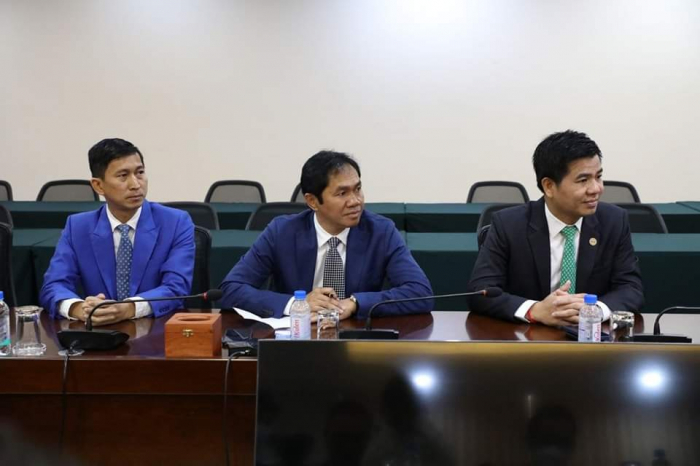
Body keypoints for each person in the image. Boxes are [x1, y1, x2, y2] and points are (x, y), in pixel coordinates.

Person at [220, 150, 433, 320]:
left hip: (356, 341)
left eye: (357, 189)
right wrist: (296, 304)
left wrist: (356, 303)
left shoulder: (380, 231)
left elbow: (420, 293)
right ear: (312, 201)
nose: (355, 201)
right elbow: (231, 290)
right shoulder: (282, 232)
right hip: (296, 340)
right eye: (342, 193)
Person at [468, 130, 644, 326]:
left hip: (592, 337)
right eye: (583, 180)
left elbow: (630, 288)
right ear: (549, 186)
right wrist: (534, 310)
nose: (596, 188)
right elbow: (480, 291)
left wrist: (593, 311)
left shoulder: (614, 221)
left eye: (598, 177)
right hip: (528, 337)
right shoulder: (508, 225)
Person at [40, 138, 195, 325]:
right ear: (98, 186)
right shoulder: (78, 227)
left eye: (140, 173)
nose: (135, 184)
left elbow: (176, 288)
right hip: (98, 333)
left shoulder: (176, 222)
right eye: (123, 176)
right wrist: (80, 309)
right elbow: (53, 285)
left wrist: (128, 308)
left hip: (157, 332)